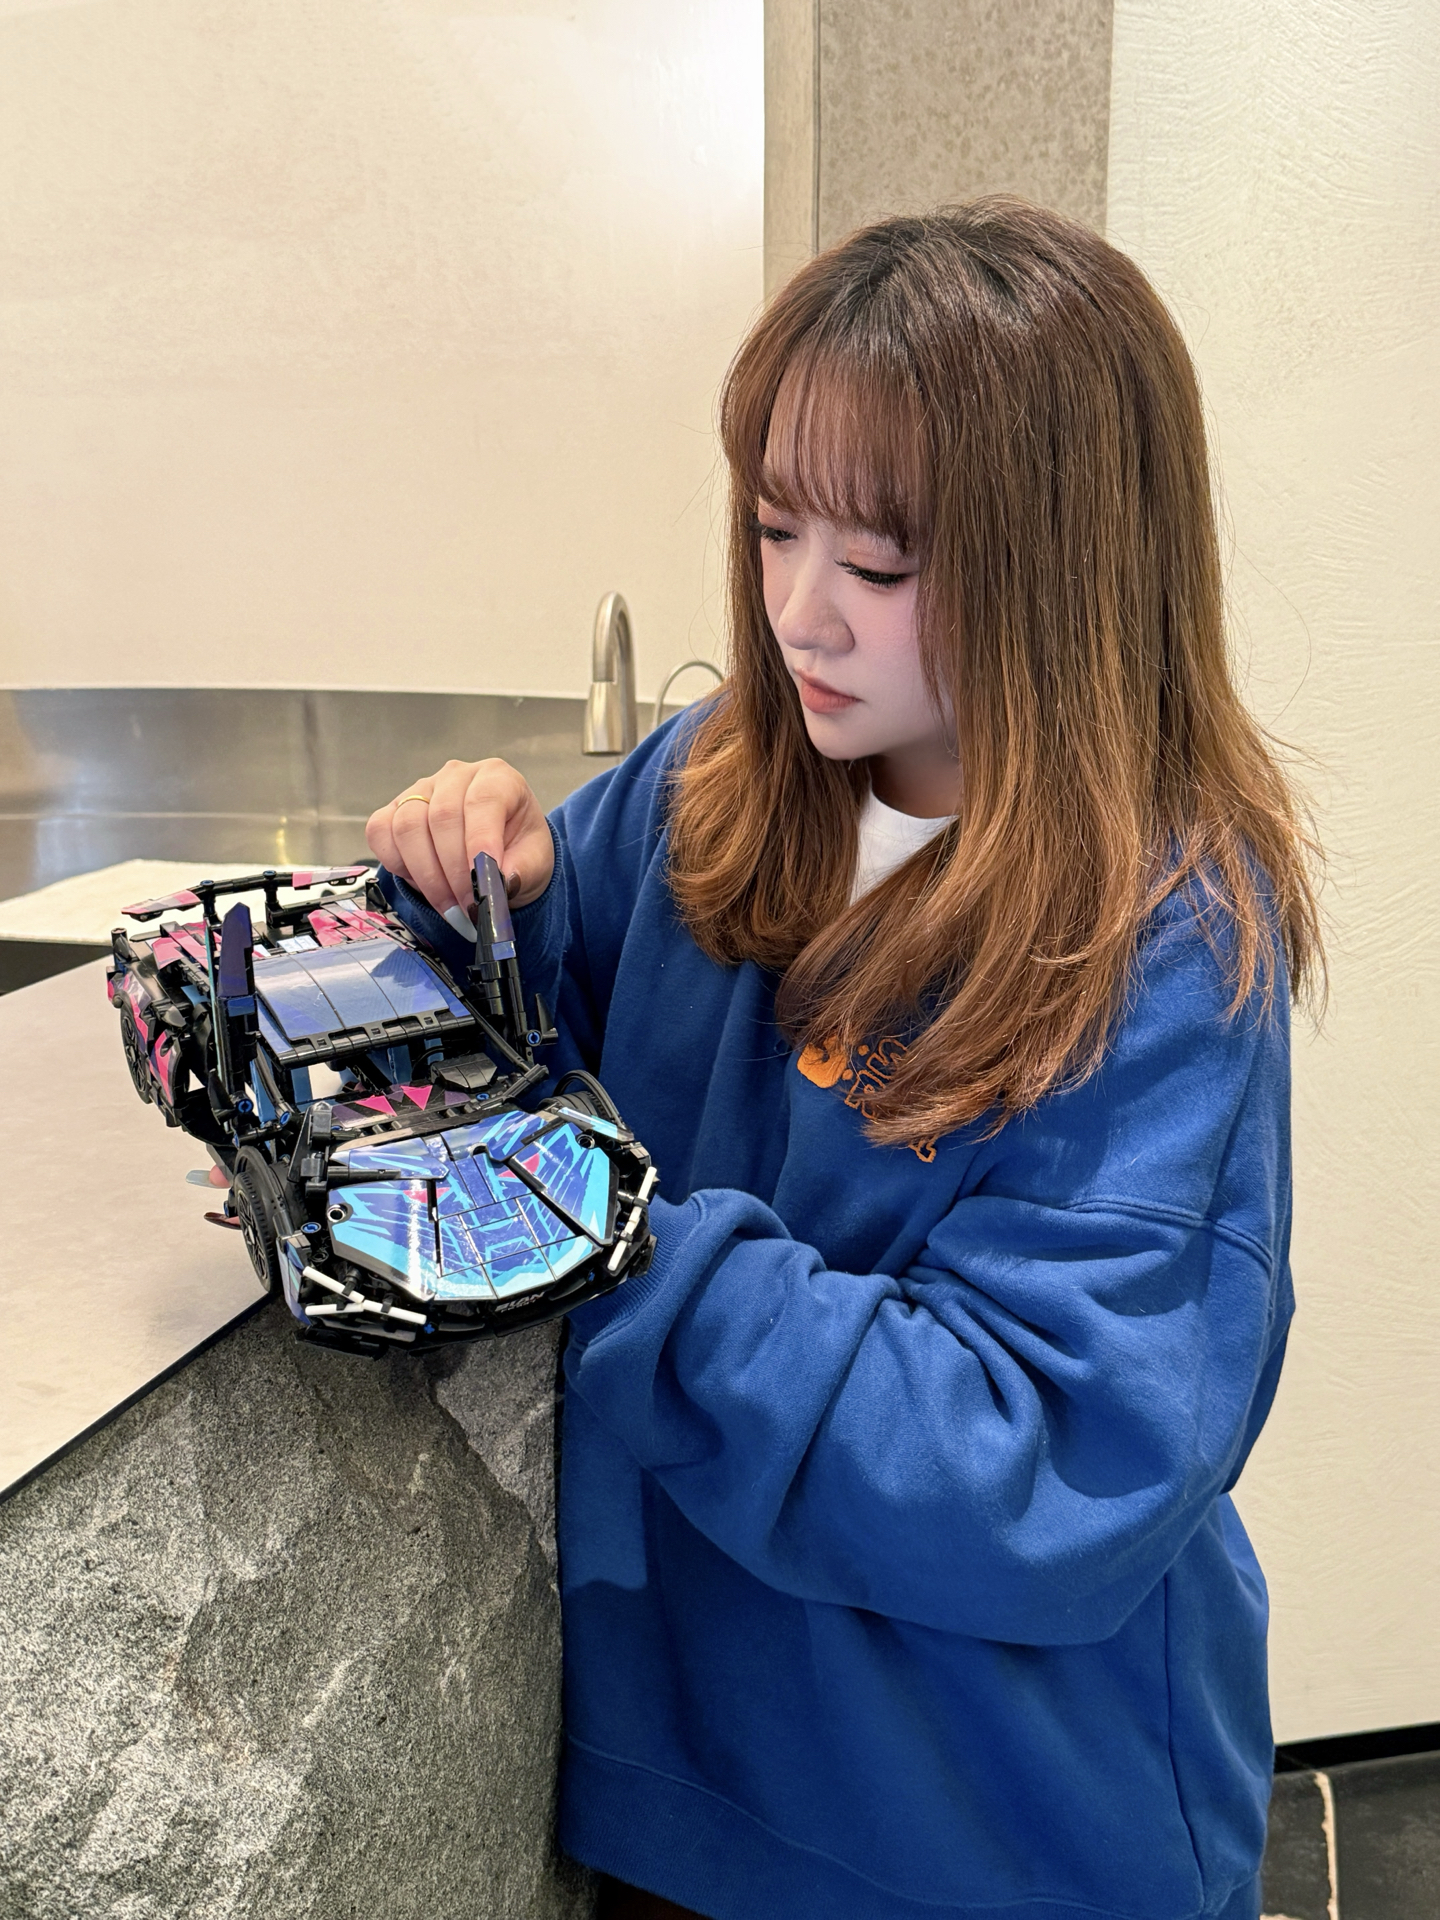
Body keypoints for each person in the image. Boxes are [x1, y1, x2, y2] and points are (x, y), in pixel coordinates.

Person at [366, 199, 1321, 1920]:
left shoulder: (1166, 938)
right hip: (677, 1786)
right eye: (771, 529)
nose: (801, 616)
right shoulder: (706, 785)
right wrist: (474, 900)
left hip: (1002, 1837)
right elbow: (515, 1040)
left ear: (1067, 573)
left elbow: (1039, 1464)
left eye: (880, 567)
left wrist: (602, 1244)